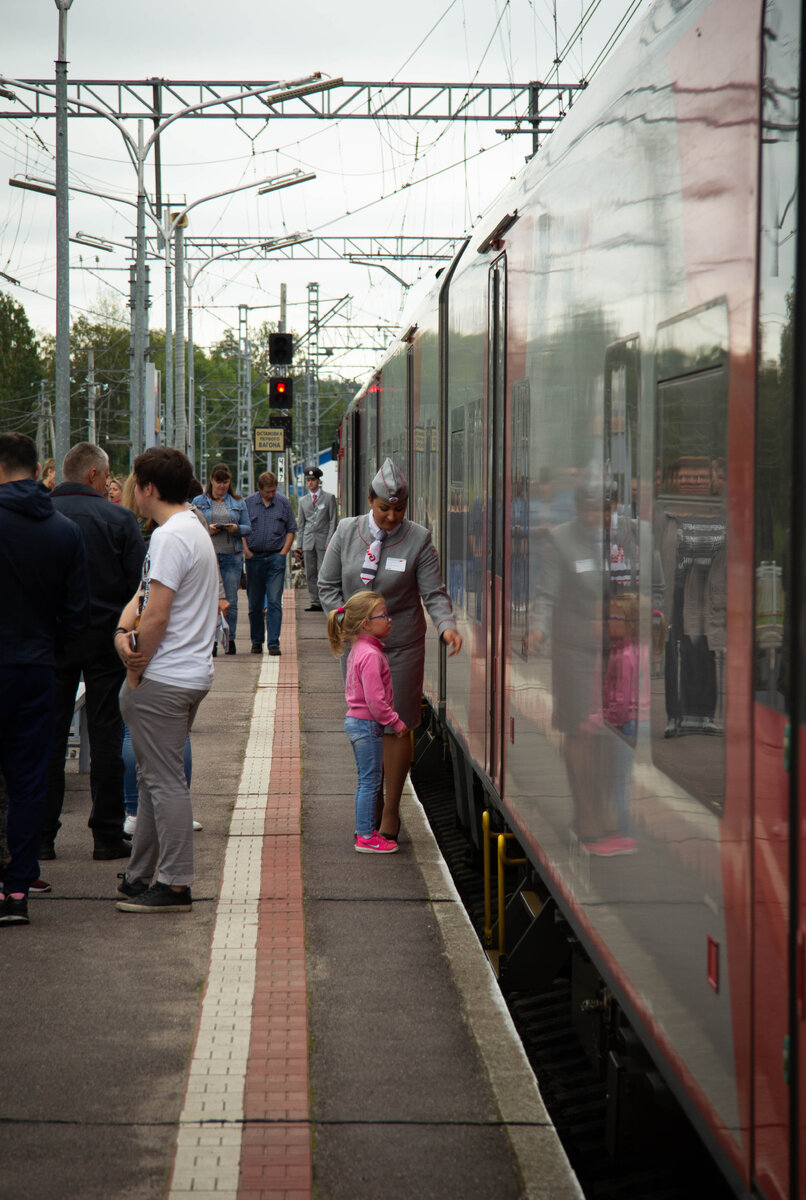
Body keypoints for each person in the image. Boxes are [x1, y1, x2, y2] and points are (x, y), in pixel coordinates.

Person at [318, 458, 461, 841]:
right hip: (360, 648)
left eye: (399, 509)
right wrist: (344, 622)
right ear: (370, 500)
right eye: (384, 508)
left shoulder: (418, 539)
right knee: (368, 723)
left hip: (401, 647)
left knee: (397, 724)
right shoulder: (346, 532)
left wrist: (446, 627)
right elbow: (327, 585)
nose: (392, 516)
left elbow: (433, 593)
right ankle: (373, 798)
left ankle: (392, 809)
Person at [113, 447, 218, 914]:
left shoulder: (169, 537)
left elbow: (155, 615)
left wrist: (135, 665)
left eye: (135, 482)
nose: (132, 489)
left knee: (164, 782)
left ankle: (175, 884)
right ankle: (140, 875)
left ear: (148, 488)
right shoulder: (189, 526)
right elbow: (142, 596)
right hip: (188, 673)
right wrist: (121, 630)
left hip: (164, 676)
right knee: (155, 777)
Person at [0, 433, 89, 925]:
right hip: (38, 671)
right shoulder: (63, 531)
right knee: (29, 780)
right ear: (37, 471)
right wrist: (54, 659)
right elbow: (76, 619)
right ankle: (17, 890)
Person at [42, 442, 146, 861]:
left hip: (49, 642)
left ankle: (42, 836)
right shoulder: (119, 519)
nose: (108, 484)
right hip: (105, 641)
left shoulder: (39, 514)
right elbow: (138, 589)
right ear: (93, 476)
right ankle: (106, 834)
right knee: (106, 735)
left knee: (48, 738)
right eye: (105, 477)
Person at [327, 591, 407, 854]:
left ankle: (367, 833)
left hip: (357, 722)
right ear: (366, 624)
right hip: (366, 725)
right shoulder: (372, 655)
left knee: (367, 780)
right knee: (370, 782)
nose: (389, 619)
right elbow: (375, 700)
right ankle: (365, 836)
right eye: (383, 615)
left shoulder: (359, 649)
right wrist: (395, 722)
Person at [191, 464, 250, 654]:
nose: (222, 486)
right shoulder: (198, 501)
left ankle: (230, 638)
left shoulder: (238, 502)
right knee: (209, 599)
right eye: (218, 482)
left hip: (232, 556)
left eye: (225, 482)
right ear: (211, 481)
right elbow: (192, 524)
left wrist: (236, 529)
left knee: (230, 599)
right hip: (209, 555)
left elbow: (248, 527)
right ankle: (212, 641)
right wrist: (208, 529)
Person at [243, 471, 297, 656]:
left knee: (274, 601)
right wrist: (247, 552)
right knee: (255, 603)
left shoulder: (283, 503)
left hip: (275, 557)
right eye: (267, 492)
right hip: (254, 558)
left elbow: (291, 529)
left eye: (273, 491)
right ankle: (256, 641)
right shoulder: (248, 504)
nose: (271, 495)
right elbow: (241, 529)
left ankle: (273, 642)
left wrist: (283, 553)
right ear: (259, 489)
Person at [297, 466, 338, 612]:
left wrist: (330, 539)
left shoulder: (328, 498)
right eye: (308, 480)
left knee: (324, 571)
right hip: (308, 540)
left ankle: (324, 600)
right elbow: (301, 524)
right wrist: (299, 544)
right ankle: (314, 601)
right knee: (310, 572)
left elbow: (333, 520)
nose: (310, 483)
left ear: (318, 481)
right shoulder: (303, 501)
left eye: (312, 480)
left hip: (323, 540)